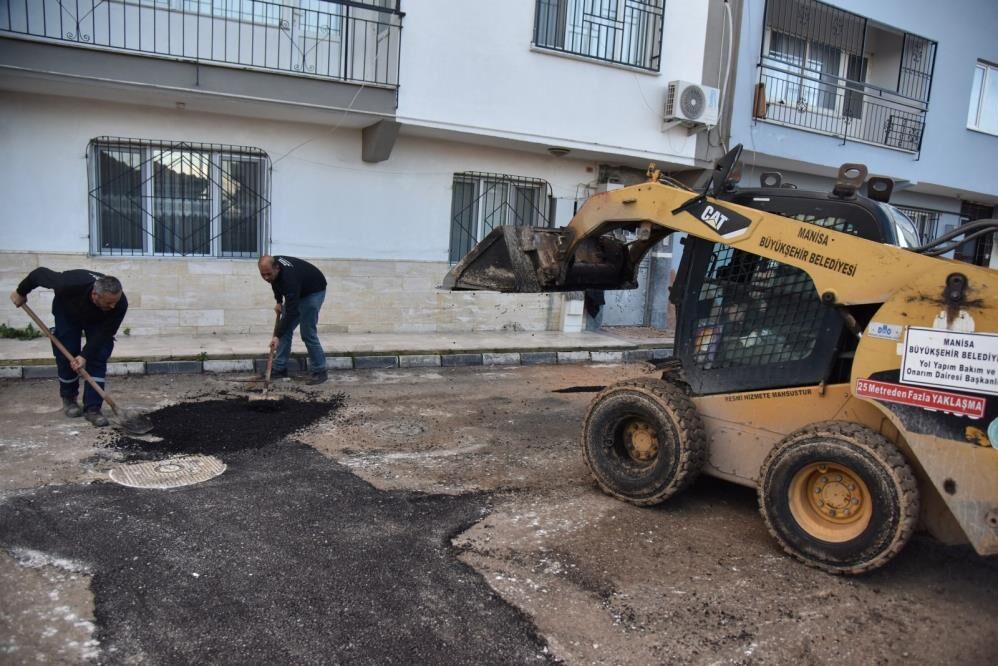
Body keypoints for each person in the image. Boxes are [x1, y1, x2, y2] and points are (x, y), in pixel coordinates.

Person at [10, 268, 128, 427]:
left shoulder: (119, 303)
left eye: (116, 301)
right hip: (68, 312)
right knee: (67, 352)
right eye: (109, 302)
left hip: (98, 320)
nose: (114, 306)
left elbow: (105, 333)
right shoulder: (68, 284)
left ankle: (93, 408)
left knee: (98, 354)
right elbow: (38, 274)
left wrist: (84, 355)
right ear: (95, 295)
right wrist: (21, 292)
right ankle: (69, 399)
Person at [257, 255, 328, 385]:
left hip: (313, 291)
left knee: (307, 333)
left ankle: (320, 370)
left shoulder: (289, 280)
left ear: (277, 268)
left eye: (268, 274)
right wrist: (278, 301)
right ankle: (280, 368)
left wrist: (277, 336)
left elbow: (292, 312)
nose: (266, 278)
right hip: (298, 290)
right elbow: (274, 283)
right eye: (263, 275)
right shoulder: (273, 268)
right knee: (284, 330)